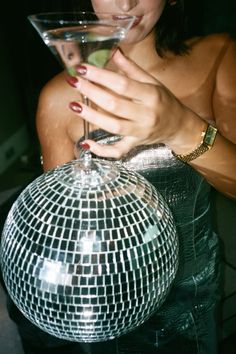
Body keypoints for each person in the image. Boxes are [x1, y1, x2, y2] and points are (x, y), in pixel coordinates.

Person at [6, 0, 236, 353]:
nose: (125, 3)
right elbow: (63, 236)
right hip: (112, 296)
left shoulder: (219, 55)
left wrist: (181, 128)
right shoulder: (57, 99)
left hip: (191, 290)